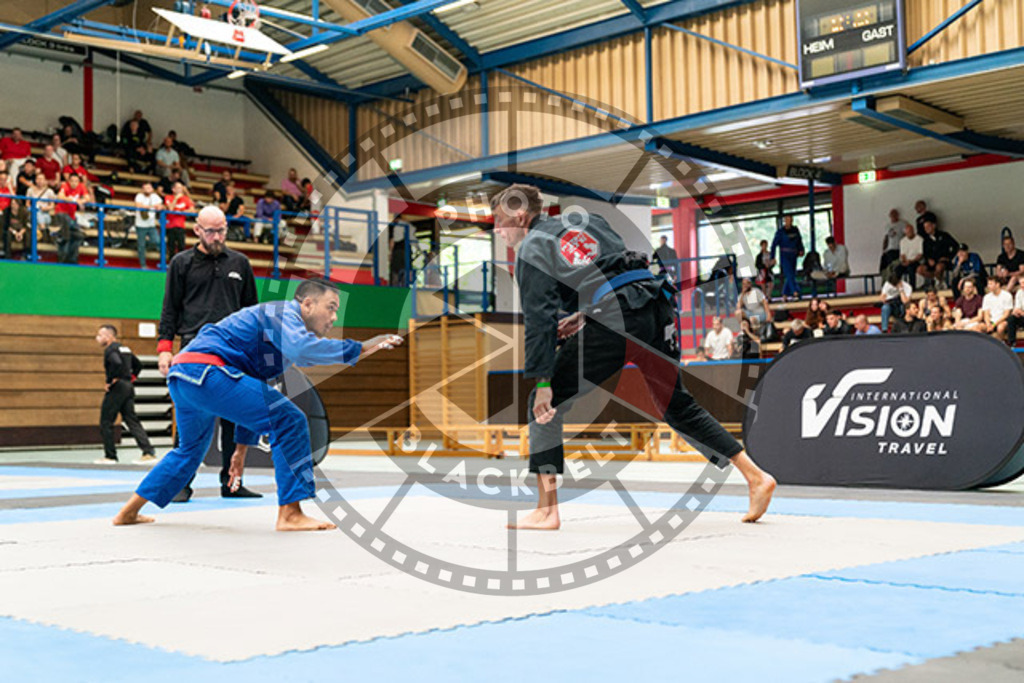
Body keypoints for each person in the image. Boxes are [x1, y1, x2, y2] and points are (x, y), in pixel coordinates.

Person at [490, 184, 775, 530]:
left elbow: (540, 322)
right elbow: (616, 271)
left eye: (499, 220)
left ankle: (546, 511)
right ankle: (756, 476)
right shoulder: (586, 221)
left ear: (521, 215)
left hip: (617, 317)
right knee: (676, 404)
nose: (497, 230)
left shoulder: (532, 247)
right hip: (655, 306)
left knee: (543, 402)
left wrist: (545, 381)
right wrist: (585, 315)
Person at [112, 279, 404, 530]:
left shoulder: (277, 344)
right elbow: (303, 350)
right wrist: (361, 346)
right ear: (307, 304)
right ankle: (290, 513)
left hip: (184, 377)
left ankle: (128, 511)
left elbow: (255, 390)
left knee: (188, 451)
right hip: (208, 371)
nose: (334, 318)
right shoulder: (283, 313)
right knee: (289, 419)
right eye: (331, 307)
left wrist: (240, 451)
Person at [157, 205, 260, 501]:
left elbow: (251, 311)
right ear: (197, 230)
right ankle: (180, 484)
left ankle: (232, 485)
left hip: (234, 349)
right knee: (192, 420)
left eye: (222, 230)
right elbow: (170, 309)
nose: (217, 236)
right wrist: (165, 349)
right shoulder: (181, 263)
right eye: (211, 231)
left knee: (234, 418)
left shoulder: (240, 263)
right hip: (194, 349)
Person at [94, 325, 156, 465]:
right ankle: (148, 451)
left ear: (109, 336)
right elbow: (138, 364)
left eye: (100, 335)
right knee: (131, 419)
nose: (97, 338)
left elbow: (116, 362)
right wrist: (131, 377)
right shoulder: (125, 349)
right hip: (128, 386)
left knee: (106, 421)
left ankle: (110, 456)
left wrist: (111, 380)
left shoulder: (111, 349)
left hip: (117, 387)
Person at [54, 173, 90, 264]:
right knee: (67, 234)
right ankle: (62, 259)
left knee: (78, 236)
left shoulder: (81, 186)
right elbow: (60, 196)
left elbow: (87, 198)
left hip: (71, 217)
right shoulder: (64, 185)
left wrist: (81, 201)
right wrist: (72, 200)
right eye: (72, 181)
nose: (74, 183)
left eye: (76, 181)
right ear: (69, 181)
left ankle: (72, 259)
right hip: (61, 214)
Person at [770, 215, 803, 301]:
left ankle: (784, 294)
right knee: (789, 273)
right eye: (787, 220)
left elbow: (799, 241)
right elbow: (774, 245)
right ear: (785, 221)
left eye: (791, 220)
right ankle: (795, 292)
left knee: (792, 274)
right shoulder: (780, 232)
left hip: (794, 255)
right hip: (784, 255)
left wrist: (801, 249)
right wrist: (772, 257)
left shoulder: (795, 230)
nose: (789, 221)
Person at [917, 219, 958, 290]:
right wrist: (928, 259)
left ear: (933, 226)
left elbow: (956, 246)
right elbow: (925, 253)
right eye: (925, 228)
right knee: (919, 269)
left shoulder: (944, 235)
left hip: (943, 260)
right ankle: (938, 279)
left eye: (928, 226)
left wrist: (949, 257)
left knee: (939, 267)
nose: (926, 229)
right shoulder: (925, 240)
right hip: (931, 261)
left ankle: (938, 281)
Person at [134, 182, 162, 269]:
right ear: (142, 189)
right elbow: (138, 205)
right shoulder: (139, 196)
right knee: (141, 246)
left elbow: (161, 206)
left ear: (152, 189)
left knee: (156, 241)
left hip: (151, 224)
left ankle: (146, 247)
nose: (147, 190)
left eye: (149, 188)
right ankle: (143, 265)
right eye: (145, 188)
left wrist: (160, 207)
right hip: (140, 225)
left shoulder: (155, 196)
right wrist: (153, 206)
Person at [164, 181, 193, 259]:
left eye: (181, 188)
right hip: (170, 226)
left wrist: (181, 212)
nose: (181, 190)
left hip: (181, 226)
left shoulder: (186, 199)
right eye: (179, 188)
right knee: (171, 247)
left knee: (181, 247)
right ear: (173, 189)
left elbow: (192, 210)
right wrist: (176, 198)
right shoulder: (168, 197)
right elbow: (170, 208)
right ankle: (171, 266)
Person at [980, 277, 1013, 341]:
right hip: (991, 321)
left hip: (1002, 321)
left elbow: (1006, 314)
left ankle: (1000, 346)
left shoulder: (1007, 295)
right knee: (977, 327)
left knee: (1000, 328)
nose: (988, 286)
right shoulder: (986, 297)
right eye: (988, 284)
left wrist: (994, 325)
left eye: (990, 284)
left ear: (997, 284)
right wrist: (988, 324)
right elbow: (986, 313)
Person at [881, 209, 910, 273]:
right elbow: (886, 238)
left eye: (895, 215)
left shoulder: (902, 224)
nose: (893, 216)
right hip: (890, 249)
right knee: (891, 267)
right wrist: (883, 249)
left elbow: (907, 235)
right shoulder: (887, 226)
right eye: (892, 215)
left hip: (900, 248)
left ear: (897, 215)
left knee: (899, 267)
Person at [897, 222, 923, 288]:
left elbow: (920, 254)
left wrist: (911, 261)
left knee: (911, 268)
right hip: (906, 261)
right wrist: (904, 261)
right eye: (907, 232)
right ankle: (897, 288)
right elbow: (902, 254)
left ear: (913, 231)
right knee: (897, 270)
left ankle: (912, 288)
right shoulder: (902, 241)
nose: (909, 233)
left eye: (910, 231)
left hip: (916, 261)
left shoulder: (920, 239)